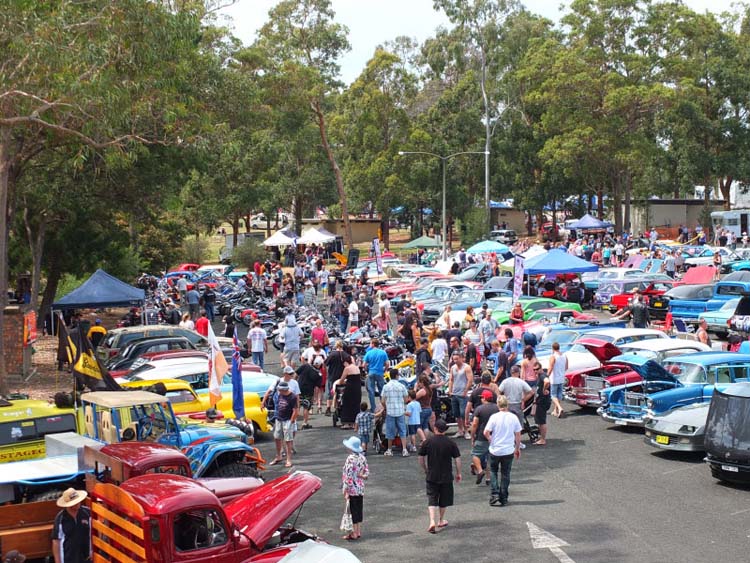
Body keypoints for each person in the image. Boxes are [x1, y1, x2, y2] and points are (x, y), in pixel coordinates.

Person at [418, 418, 461, 534]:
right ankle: (440, 520)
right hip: (446, 475)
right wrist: (458, 473)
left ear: (435, 428)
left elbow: (421, 458)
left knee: (432, 498)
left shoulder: (428, 442)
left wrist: (425, 469)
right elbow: (457, 459)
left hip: (432, 474)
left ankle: (432, 521)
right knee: (444, 499)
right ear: (445, 430)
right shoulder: (450, 442)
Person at [483, 396, 522, 507]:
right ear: (507, 405)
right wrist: (517, 448)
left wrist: (491, 440)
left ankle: (494, 494)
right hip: (508, 449)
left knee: (493, 471)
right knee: (506, 473)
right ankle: (504, 496)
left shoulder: (494, 417)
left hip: (495, 449)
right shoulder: (513, 417)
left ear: (498, 405)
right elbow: (518, 434)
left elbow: (486, 432)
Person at [341, 436, 369, 541]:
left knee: (352, 510)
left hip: (352, 488)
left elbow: (348, 476)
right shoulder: (362, 457)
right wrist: (362, 476)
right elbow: (366, 472)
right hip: (360, 488)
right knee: (359, 509)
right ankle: (358, 531)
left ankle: (353, 533)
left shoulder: (350, 459)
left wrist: (346, 489)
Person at [52, 488, 91, 563]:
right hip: (68, 558)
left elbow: (94, 532)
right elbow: (56, 541)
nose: (77, 504)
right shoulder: (60, 518)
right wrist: (58, 561)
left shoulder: (87, 513)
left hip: (86, 557)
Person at [470, 389, 499, 485]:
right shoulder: (497, 408)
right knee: (490, 458)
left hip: (482, 436)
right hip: (495, 436)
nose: (481, 399)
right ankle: (488, 478)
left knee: (475, 454)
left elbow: (474, 424)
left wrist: (472, 435)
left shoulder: (479, 409)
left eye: (482, 397)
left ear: (484, 398)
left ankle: (479, 470)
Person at [269, 381, 298, 468]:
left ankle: (289, 459)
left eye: (280, 390)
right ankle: (278, 456)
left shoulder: (292, 397)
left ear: (284, 390)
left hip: (287, 420)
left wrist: (292, 421)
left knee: (288, 440)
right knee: (277, 438)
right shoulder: (279, 395)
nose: (279, 392)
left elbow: (295, 410)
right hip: (279, 419)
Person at [381, 368, 409, 457]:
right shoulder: (402, 386)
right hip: (400, 411)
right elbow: (406, 399)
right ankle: (404, 449)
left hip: (390, 411)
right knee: (402, 430)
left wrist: (386, 406)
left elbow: (382, 400)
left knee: (390, 431)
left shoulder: (386, 386)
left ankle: (389, 449)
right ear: (397, 376)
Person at [499, 365, 534, 430]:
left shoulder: (505, 381)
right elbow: (531, 392)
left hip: (507, 405)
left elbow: (499, 391)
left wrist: (502, 399)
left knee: (508, 423)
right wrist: (523, 400)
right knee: (519, 425)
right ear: (518, 372)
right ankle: (518, 438)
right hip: (518, 405)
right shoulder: (521, 382)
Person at [448, 352, 473, 439]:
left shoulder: (466, 367)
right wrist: (450, 390)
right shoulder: (453, 367)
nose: (455, 361)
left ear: (462, 358)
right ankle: (460, 430)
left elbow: (470, 380)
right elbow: (451, 379)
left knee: (463, 414)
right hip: (454, 394)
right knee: (456, 414)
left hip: (463, 395)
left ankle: (466, 431)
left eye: (457, 359)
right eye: (454, 359)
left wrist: (465, 391)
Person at [362, 339, 388, 412]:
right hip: (380, 373)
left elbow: (363, 364)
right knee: (381, 391)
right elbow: (387, 364)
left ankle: (373, 408)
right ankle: (383, 407)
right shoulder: (383, 353)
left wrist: (367, 370)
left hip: (371, 372)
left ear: (373, 344)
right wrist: (384, 370)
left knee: (371, 391)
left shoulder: (369, 353)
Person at [325, 341, 350, 416]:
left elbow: (326, 363)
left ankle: (328, 408)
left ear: (336, 346)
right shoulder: (346, 355)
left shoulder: (332, 354)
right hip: (343, 376)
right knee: (343, 391)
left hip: (332, 376)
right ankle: (342, 406)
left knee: (330, 391)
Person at [296, 357, 322, 429]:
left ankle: (294, 422)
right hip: (309, 391)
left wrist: (294, 383)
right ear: (319, 365)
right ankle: (305, 423)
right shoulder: (318, 374)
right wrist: (315, 397)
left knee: (297, 406)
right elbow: (317, 387)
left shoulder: (305, 366)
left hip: (299, 388)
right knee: (306, 407)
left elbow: (296, 374)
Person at [337, 356, 362, 430]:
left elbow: (341, 380)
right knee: (356, 404)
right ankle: (355, 422)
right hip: (357, 388)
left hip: (350, 388)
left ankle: (347, 422)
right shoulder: (356, 367)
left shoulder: (347, 368)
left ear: (345, 362)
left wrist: (341, 382)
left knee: (347, 404)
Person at [548, 342, 568, 418]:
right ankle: (555, 410)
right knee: (559, 395)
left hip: (554, 378)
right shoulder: (564, 356)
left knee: (553, 395)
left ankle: (559, 408)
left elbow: (550, 367)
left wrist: (547, 375)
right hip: (561, 377)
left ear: (552, 348)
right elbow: (566, 367)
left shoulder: (553, 357)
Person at [533, 362, 551, 445]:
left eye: (537, 369)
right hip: (541, 401)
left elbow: (547, 381)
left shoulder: (542, 375)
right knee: (540, 421)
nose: (535, 371)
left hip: (543, 401)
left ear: (540, 368)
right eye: (534, 370)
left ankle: (543, 439)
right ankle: (541, 438)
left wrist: (544, 390)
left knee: (542, 421)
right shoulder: (540, 376)